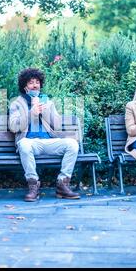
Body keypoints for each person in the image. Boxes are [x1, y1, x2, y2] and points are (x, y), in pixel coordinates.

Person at [9, 68, 81, 202]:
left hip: (49, 143)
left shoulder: (48, 102)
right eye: (31, 82)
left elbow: (58, 125)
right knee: (23, 144)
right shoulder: (16, 103)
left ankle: (62, 184)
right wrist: (31, 113)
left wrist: (45, 111)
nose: (35, 85)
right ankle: (33, 185)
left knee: (72, 144)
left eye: (37, 82)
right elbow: (13, 127)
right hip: (29, 143)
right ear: (25, 86)